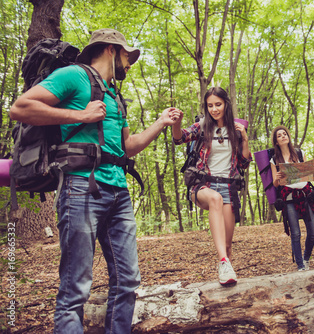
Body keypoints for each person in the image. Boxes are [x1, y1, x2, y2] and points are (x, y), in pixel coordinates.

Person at [10, 28, 181, 334]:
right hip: (80, 188)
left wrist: (161, 123)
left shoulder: (115, 95)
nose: (129, 64)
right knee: (76, 286)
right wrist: (81, 116)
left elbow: (128, 146)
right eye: (127, 56)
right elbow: (20, 108)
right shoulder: (74, 76)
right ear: (111, 50)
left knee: (127, 281)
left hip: (118, 192)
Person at [171, 87, 251, 286]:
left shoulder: (237, 129)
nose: (214, 109)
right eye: (210, 105)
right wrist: (177, 123)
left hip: (229, 188)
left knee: (227, 245)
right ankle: (223, 262)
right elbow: (179, 138)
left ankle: (227, 275)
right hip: (204, 185)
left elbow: (243, 163)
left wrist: (245, 139)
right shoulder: (202, 126)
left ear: (226, 104)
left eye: (218, 104)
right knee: (215, 198)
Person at [270, 126, 314, 271]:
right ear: (276, 141)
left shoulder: (300, 153)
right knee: (296, 233)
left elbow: (310, 173)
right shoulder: (274, 159)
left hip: (305, 195)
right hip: (288, 198)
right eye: (279, 135)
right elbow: (275, 183)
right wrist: (278, 178)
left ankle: (306, 259)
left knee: (312, 232)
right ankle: (300, 265)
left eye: (284, 134)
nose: (283, 136)